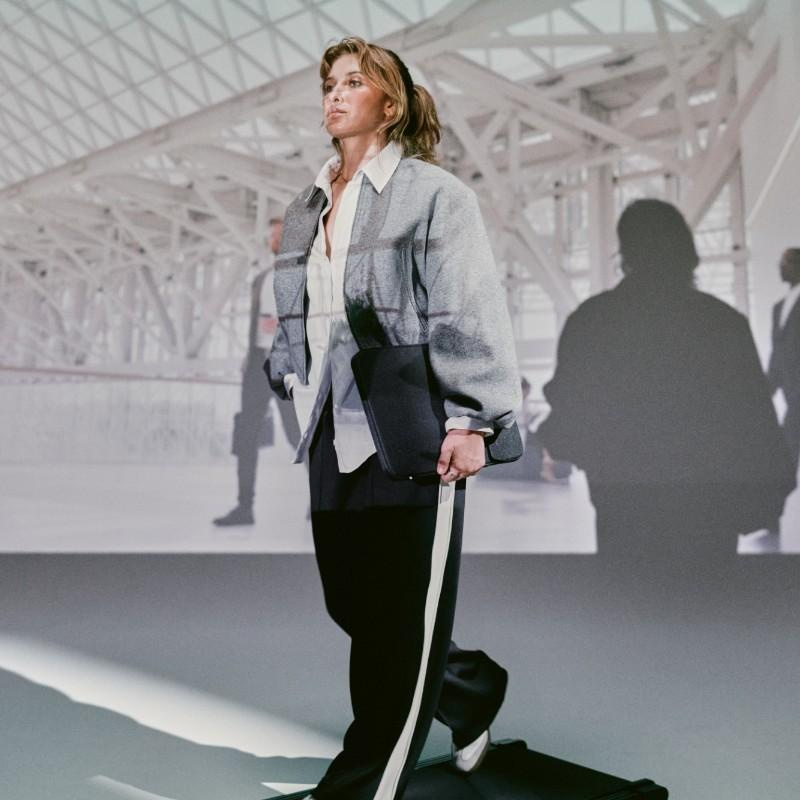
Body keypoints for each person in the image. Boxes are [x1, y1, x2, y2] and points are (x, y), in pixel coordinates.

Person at [267, 37, 520, 800]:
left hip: (411, 427)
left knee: (403, 620)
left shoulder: (435, 196)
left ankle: (361, 786)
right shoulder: (307, 203)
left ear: (390, 103)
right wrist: (284, 363)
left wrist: (474, 419)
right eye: (329, 84)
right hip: (330, 427)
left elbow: (467, 307)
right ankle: (470, 690)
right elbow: (304, 309)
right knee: (354, 603)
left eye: (353, 83)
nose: (334, 95)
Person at [537, 199, 795, 563]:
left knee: (631, 593)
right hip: (707, 509)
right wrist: (758, 503)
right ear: (687, 251)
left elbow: (570, 419)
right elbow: (753, 421)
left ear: (626, 253)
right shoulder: (723, 324)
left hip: (623, 503)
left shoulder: (592, 320)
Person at [213, 218, 302, 527]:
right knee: (246, 435)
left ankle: (320, 501)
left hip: (287, 366)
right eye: (272, 236)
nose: (274, 240)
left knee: (297, 435)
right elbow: (256, 325)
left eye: (280, 235)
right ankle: (244, 507)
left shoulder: (305, 276)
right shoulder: (261, 279)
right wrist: (249, 356)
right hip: (256, 365)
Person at [767, 248, 800, 478]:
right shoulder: (779, 307)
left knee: (787, 450)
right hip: (792, 394)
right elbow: (778, 353)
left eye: (785, 262)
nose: (780, 266)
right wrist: (767, 388)